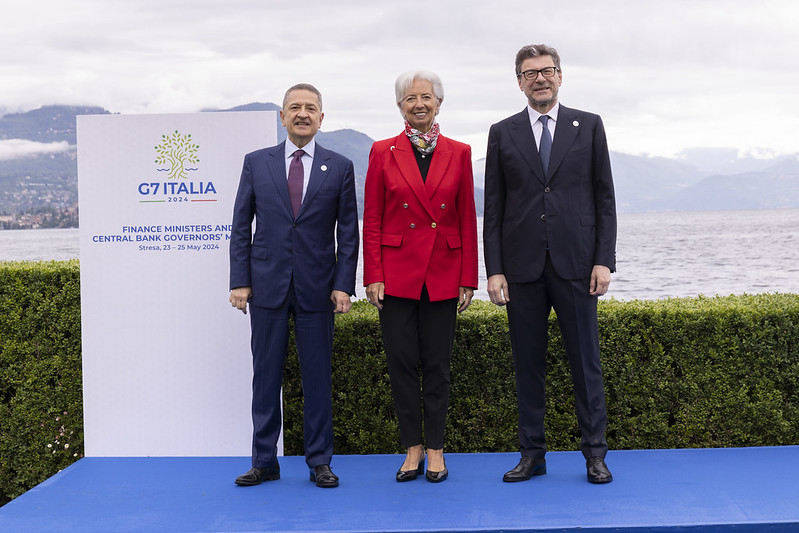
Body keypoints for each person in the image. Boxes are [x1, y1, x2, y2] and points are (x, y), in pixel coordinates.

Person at [483, 44, 617, 484]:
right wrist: (494, 269)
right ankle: (532, 455)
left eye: (547, 70)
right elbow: (494, 207)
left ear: (560, 76)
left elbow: (604, 198)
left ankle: (595, 455)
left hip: (577, 264)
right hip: (521, 268)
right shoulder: (502, 132)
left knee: (586, 364)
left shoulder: (589, 125)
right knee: (528, 366)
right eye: (530, 73)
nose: (539, 79)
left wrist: (603, 261)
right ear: (519, 82)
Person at [229, 83, 359, 488]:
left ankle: (320, 462)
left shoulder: (340, 166)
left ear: (322, 118)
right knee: (265, 377)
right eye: (295, 107)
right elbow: (240, 225)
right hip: (266, 286)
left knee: (317, 378)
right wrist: (240, 281)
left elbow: (348, 232)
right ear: (282, 116)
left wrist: (343, 285)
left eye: (311, 108)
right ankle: (264, 461)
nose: (303, 114)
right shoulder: (256, 163)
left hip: (318, 288)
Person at [363, 70, 478, 483]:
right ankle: (412, 447)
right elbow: (372, 217)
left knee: (438, 366)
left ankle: (436, 449)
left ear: (438, 103)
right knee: (400, 364)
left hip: (444, 272)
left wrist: (468, 277)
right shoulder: (382, 151)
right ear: (400, 106)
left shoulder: (459, 152)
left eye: (426, 97)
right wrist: (372, 274)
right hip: (396, 274)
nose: (419, 104)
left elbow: (466, 218)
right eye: (410, 98)